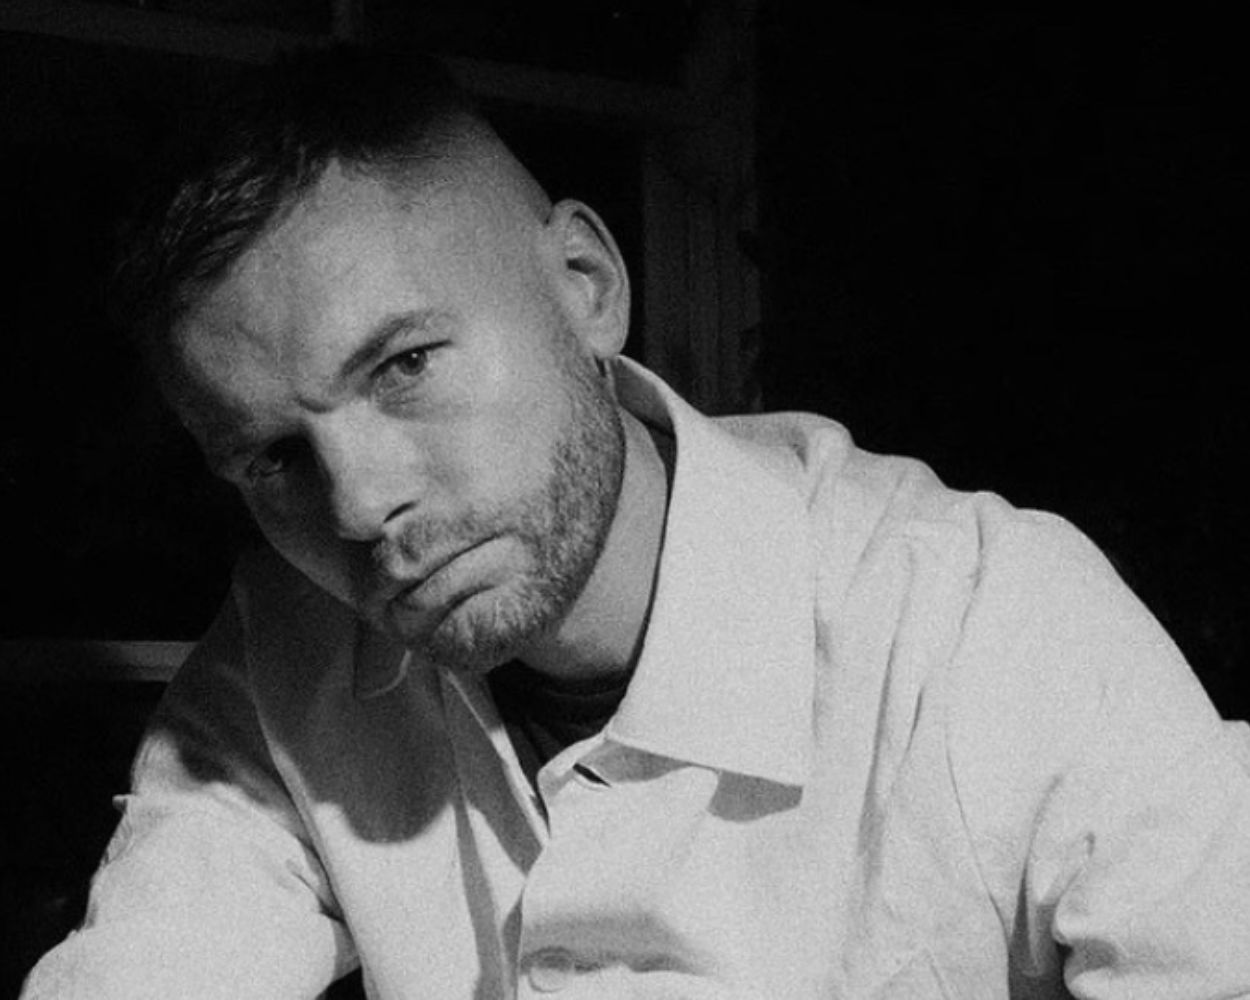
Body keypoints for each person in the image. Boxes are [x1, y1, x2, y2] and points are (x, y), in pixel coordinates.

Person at [21, 44, 1250, 1000]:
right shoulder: (282, 659)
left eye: (404, 365)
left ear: (586, 288)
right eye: (275, 458)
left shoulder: (986, 619)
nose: (357, 505)